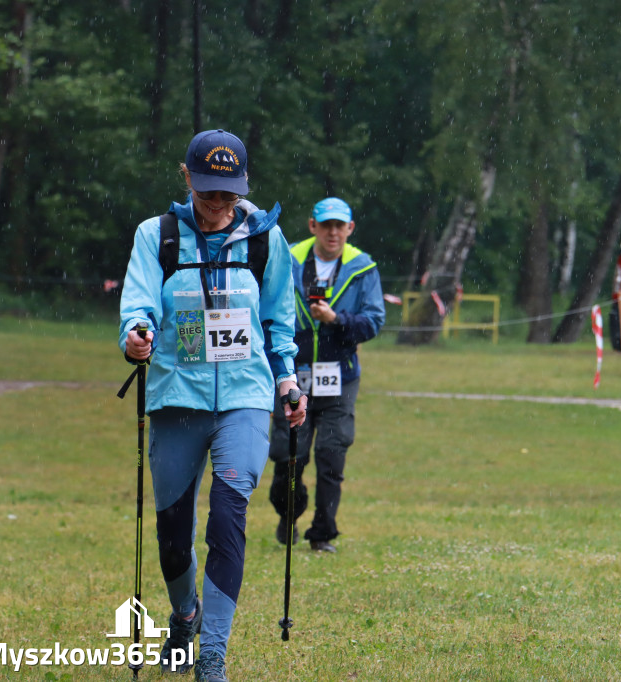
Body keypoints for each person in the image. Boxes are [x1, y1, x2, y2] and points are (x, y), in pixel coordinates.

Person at [119, 129, 306, 682]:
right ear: (187, 179)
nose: (219, 206)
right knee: (173, 538)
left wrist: (287, 384)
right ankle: (185, 616)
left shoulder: (265, 241)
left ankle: (213, 655)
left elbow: (278, 321)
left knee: (227, 517)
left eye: (228, 194)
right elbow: (139, 300)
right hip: (177, 395)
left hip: (245, 399)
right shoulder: (159, 236)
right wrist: (136, 333)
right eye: (208, 194)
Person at [268, 196, 385, 553]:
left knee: (332, 456)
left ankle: (322, 535)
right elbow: (268, 307)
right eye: (326, 225)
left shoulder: (363, 267)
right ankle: (289, 513)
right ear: (312, 226)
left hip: (340, 378)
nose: (333, 232)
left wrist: (337, 320)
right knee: (289, 456)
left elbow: (374, 321)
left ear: (350, 229)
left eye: (340, 226)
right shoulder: (286, 258)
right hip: (292, 372)